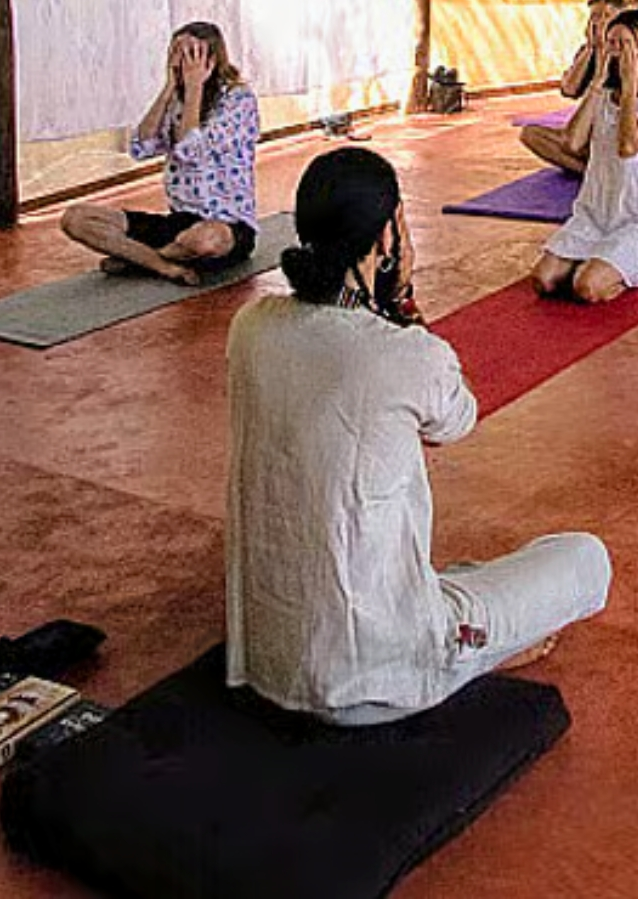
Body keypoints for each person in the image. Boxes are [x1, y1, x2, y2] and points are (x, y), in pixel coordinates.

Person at [226, 147, 611, 723]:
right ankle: (477, 649)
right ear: (388, 238)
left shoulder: (250, 325)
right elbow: (457, 418)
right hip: (378, 673)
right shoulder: (404, 351)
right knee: (584, 558)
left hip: (266, 656)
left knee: (456, 575)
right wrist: (400, 303)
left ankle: (467, 614)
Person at [61, 21, 260, 284]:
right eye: (175, 52)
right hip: (178, 222)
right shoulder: (176, 99)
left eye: (190, 54)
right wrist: (168, 90)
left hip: (224, 225)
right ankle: (165, 266)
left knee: (204, 240)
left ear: (211, 59)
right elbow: (140, 147)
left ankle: (142, 259)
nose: (181, 61)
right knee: (75, 218)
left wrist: (194, 89)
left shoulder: (238, 100)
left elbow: (192, 151)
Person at [532, 8, 638, 301]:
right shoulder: (603, 91)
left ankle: (637, 262)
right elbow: (572, 143)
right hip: (596, 212)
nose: (614, 50)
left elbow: (628, 146)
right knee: (543, 280)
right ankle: (596, 260)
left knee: (586, 288)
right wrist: (597, 84)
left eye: (623, 43)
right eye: (610, 43)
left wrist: (628, 88)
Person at [520, 0, 625, 175]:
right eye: (595, 17)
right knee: (529, 134)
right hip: (584, 137)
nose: (600, 22)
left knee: (578, 137)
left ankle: (597, 169)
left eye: (606, 16)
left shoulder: (627, 50)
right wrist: (591, 49)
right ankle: (588, 172)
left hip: (614, 136)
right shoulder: (587, 51)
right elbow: (568, 89)